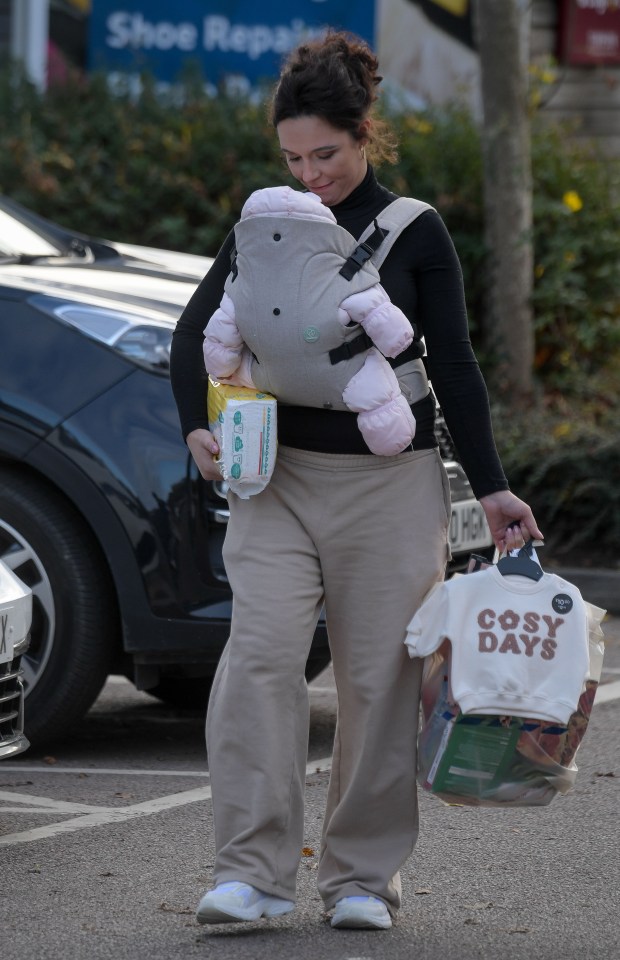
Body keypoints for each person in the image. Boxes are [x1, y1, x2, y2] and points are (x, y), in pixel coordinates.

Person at [170, 31, 543, 931]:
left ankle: (361, 879)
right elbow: (193, 338)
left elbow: (453, 364)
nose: (310, 175)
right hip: (277, 481)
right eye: (293, 157)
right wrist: (196, 426)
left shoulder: (415, 232)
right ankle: (251, 876)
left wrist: (493, 490)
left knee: (379, 680)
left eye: (325, 154)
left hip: (390, 485)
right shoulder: (262, 228)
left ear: (364, 134)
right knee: (259, 660)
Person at [202, 183, 419, 456]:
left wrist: (221, 364)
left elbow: (221, 332)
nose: (309, 172)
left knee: (234, 373)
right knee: (375, 395)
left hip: (267, 377)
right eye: (293, 157)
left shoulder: (242, 278)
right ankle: (389, 433)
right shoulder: (341, 272)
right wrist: (396, 340)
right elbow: (376, 310)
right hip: (343, 376)